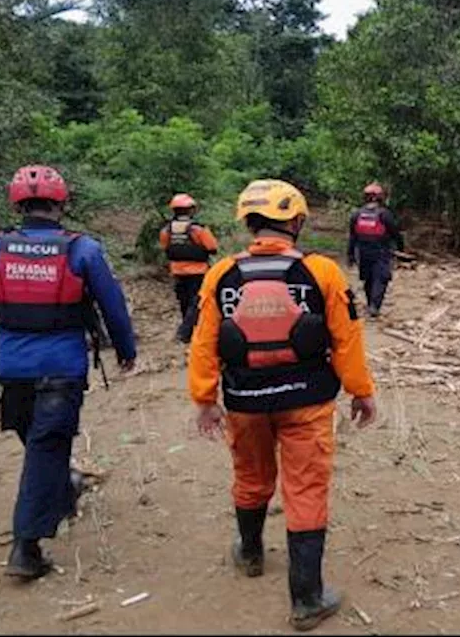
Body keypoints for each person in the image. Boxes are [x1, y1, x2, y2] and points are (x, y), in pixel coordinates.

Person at [189, 179, 376, 631]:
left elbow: (203, 341)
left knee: (251, 476)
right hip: (307, 401)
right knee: (306, 490)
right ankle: (307, 598)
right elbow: (346, 338)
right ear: (295, 220)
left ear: (250, 222)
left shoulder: (221, 274)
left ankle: (250, 553)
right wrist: (361, 391)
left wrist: (204, 398)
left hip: (245, 400)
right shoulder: (323, 272)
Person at [0, 165, 137, 580]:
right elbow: (112, 306)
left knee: (40, 443)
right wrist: (126, 350)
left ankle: (65, 487)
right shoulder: (83, 250)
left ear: (18, 205)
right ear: (60, 204)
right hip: (63, 370)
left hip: (13, 371)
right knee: (45, 446)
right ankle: (25, 548)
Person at [159, 193, 219, 343]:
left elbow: (165, 247)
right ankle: (185, 332)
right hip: (198, 270)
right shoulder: (197, 229)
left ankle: (189, 331)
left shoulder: (167, 230)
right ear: (191, 210)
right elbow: (212, 247)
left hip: (177, 271)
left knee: (184, 301)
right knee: (196, 301)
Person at [347, 182, 404, 318]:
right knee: (381, 278)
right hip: (381, 252)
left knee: (368, 278)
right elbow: (395, 233)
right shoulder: (384, 214)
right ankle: (374, 306)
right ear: (380, 198)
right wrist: (401, 248)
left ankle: (370, 304)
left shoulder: (357, 214)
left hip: (363, 252)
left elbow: (352, 237)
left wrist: (350, 255)